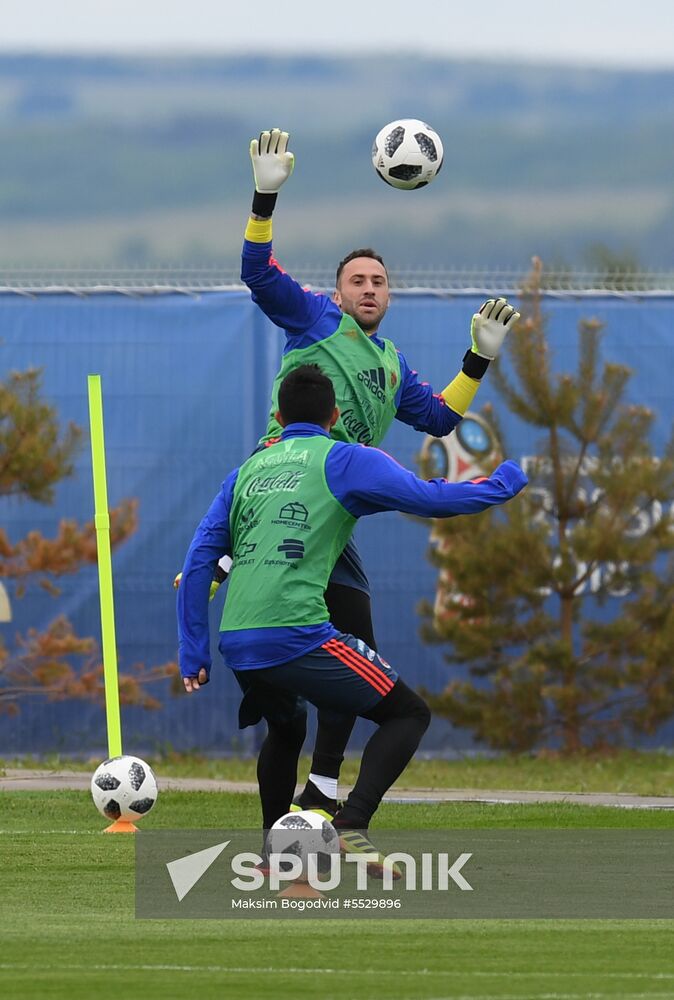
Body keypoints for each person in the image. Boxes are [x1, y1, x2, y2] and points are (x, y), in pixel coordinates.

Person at [177, 364, 527, 868]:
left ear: (277, 415)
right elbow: (431, 497)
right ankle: (351, 822)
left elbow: (198, 562)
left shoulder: (248, 470)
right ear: (335, 415)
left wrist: (194, 653)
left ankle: (273, 850)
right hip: (296, 633)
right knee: (408, 714)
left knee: (288, 724)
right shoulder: (344, 459)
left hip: (238, 640)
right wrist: (503, 484)